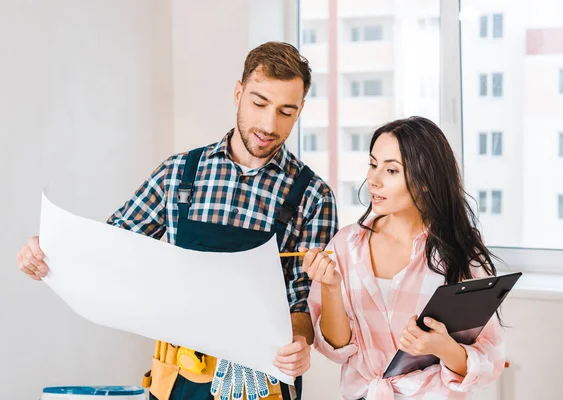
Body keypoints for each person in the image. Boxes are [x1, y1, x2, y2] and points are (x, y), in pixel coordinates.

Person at [15, 41, 338, 400]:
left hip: (259, 385)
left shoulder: (313, 196)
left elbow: (303, 304)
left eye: (286, 112)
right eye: (259, 103)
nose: (268, 123)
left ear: (301, 110)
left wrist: (298, 342)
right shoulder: (179, 173)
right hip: (177, 381)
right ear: (238, 92)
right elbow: (110, 247)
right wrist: (46, 252)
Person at [302, 117, 505, 400]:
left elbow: (490, 360)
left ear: (425, 180)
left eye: (391, 170)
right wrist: (331, 287)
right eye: (373, 165)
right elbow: (336, 349)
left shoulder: (458, 249)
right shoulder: (346, 244)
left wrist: (442, 347)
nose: (374, 179)